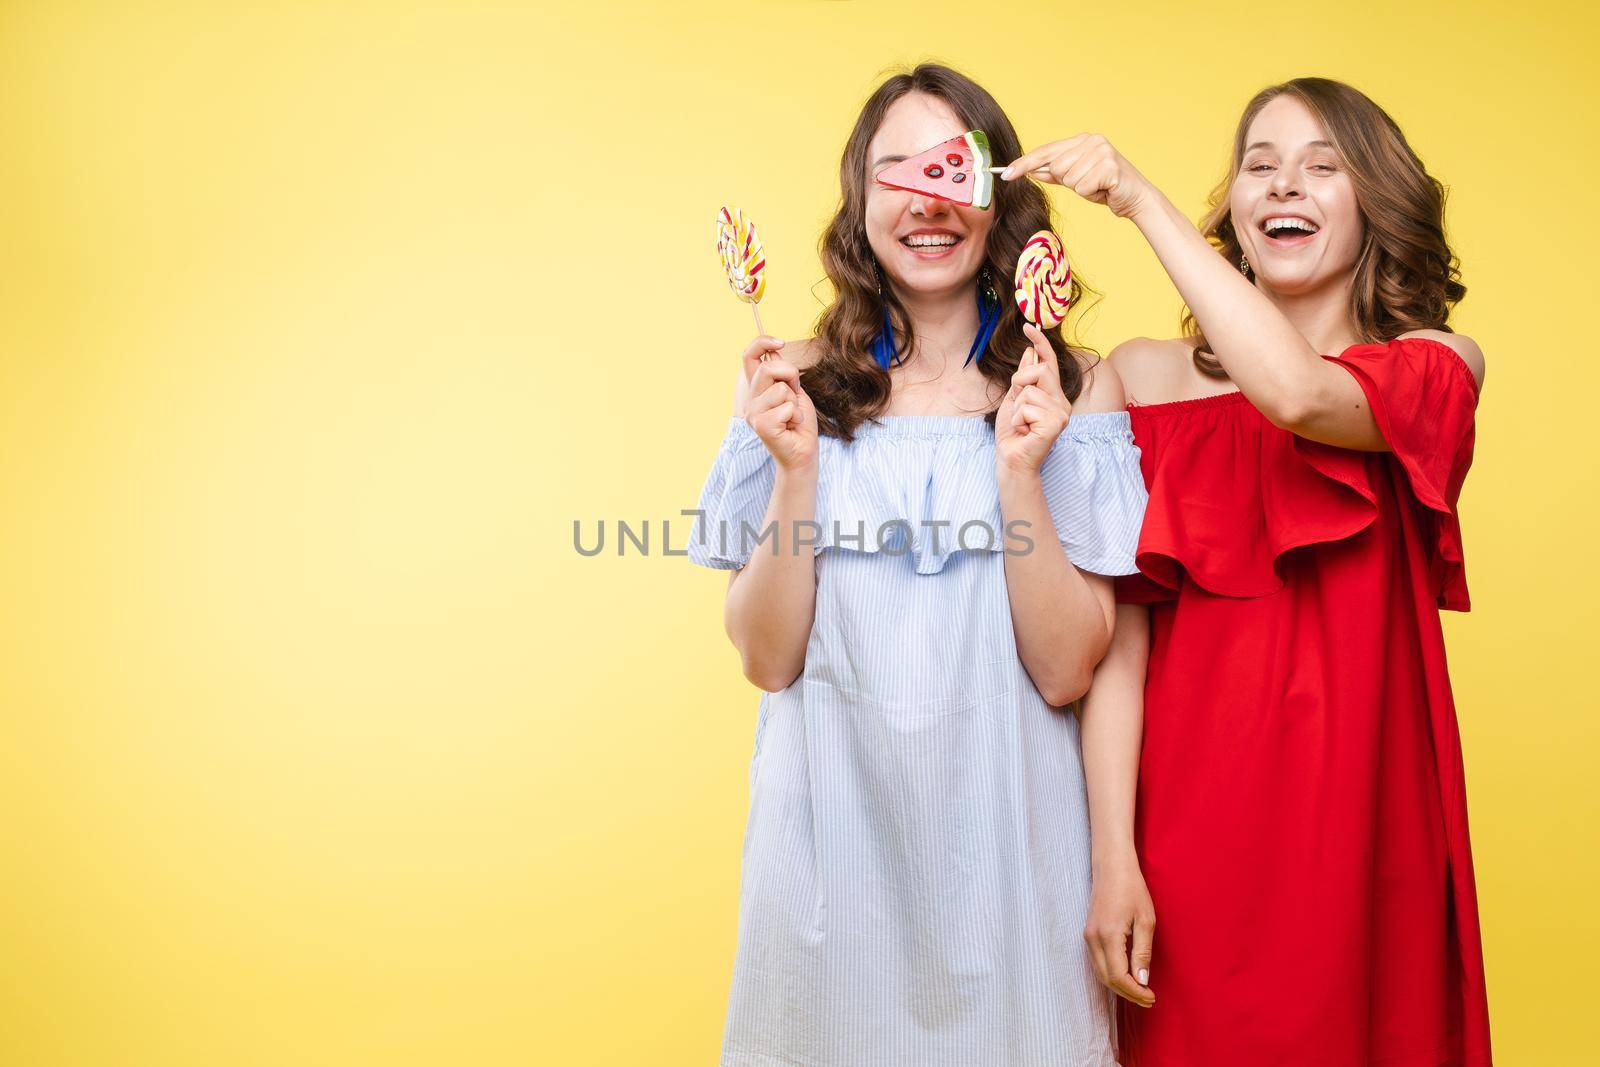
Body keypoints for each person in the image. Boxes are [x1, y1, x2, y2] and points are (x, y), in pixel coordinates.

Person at [1007, 78, 1492, 1065]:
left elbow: (1300, 395)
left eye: (1323, 167)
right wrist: (1111, 856)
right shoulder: (1131, 379)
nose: (1284, 185)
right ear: (1230, 205)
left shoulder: (1433, 366)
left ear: (1376, 204)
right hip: (1179, 828)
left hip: (1360, 825)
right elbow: (1116, 645)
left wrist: (1137, 200)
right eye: (1259, 164)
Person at [686, 63, 1149, 1066]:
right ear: (859, 200)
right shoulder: (787, 382)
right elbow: (766, 658)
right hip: (827, 865)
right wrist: (797, 471)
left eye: (952, 169)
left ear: (997, 200)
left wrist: (1019, 473)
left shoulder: (1072, 387)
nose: (926, 200)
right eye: (897, 171)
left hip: (1012, 862)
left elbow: (1072, 667)